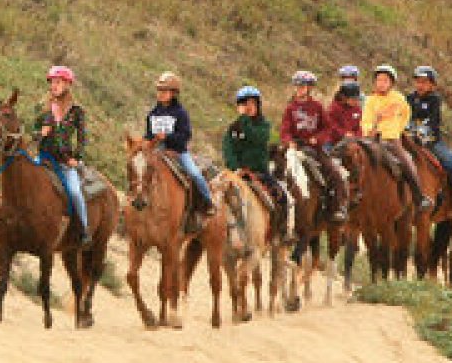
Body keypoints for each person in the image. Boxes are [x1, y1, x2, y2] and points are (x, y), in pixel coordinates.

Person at [33, 65, 91, 248]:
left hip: (64, 162)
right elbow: (33, 133)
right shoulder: (42, 108)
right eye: (52, 82)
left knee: (74, 192)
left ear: (67, 84)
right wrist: (40, 134)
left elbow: (82, 138)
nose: (54, 86)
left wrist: (77, 158)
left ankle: (84, 230)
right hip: (43, 158)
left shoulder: (76, 111)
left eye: (58, 82)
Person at [279, 70, 348, 221]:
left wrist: (317, 138)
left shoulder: (317, 106)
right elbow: (284, 130)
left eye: (302, 86)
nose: (299, 89)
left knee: (335, 173)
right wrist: (289, 141)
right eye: (297, 86)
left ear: (309, 88)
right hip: (295, 148)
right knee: (276, 169)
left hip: (314, 149)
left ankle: (338, 207)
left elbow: (327, 127)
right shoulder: (290, 108)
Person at [144, 72, 215, 218]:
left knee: (195, 174)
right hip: (157, 152)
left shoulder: (180, 113)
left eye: (164, 91)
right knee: (140, 171)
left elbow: (185, 136)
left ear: (173, 93)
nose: (160, 93)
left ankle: (208, 202)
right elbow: (149, 135)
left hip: (178, 153)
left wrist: (167, 137)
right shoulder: (152, 114)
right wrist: (146, 142)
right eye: (159, 90)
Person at [361, 65, 432, 211]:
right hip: (372, 139)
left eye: (385, 80)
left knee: (407, 162)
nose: (381, 83)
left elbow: (406, 114)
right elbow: (365, 120)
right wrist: (369, 130)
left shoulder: (398, 98)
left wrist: (398, 130)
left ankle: (419, 197)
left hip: (392, 140)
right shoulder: (370, 100)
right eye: (378, 80)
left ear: (391, 83)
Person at [222, 85, 288, 240]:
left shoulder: (263, 126)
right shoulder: (232, 128)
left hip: (259, 173)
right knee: (215, 195)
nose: (249, 107)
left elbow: (256, 138)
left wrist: (244, 119)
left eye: (252, 103)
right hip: (236, 173)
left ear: (258, 105)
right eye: (245, 103)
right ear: (239, 106)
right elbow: (228, 150)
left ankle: (281, 233)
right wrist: (235, 167)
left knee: (282, 197)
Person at [408, 66, 452, 214]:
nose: (420, 85)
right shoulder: (409, 98)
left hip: (431, 140)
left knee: (451, 162)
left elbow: (433, 122)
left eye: (424, 82)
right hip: (409, 138)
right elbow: (404, 116)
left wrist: (422, 133)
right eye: (418, 81)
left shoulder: (434, 99)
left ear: (432, 85)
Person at [324, 80, 363, 146]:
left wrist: (357, 136)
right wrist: (344, 134)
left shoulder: (357, 109)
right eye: (353, 99)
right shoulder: (333, 108)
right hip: (333, 141)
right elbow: (331, 126)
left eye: (357, 99)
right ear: (343, 97)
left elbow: (358, 126)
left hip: (352, 140)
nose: (356, 101)